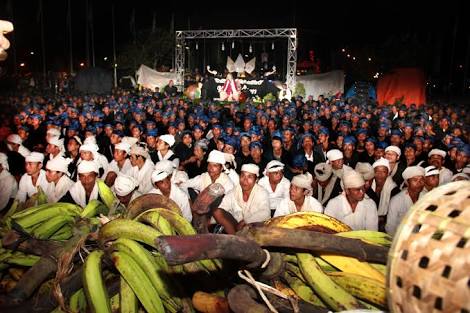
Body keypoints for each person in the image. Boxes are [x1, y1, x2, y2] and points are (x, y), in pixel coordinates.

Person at [212, 164, 271, 234]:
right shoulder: (234, 191)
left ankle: (237, 240)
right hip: (236, 226)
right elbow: (222, 207)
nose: (245, 180)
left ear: (256, 180)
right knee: (217, 211)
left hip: (254, 227)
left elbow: (265, 213)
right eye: (242, 176)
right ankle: (235, 238)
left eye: (250, 177)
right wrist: (210, 222)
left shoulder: (262, 192)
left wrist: (245, 221)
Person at [386, 166, 425, 236]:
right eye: (415, 180)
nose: (419, 183)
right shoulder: (397, 200)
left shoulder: (426, 197)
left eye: (422, 180)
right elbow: (390, 227)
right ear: (407, 182)